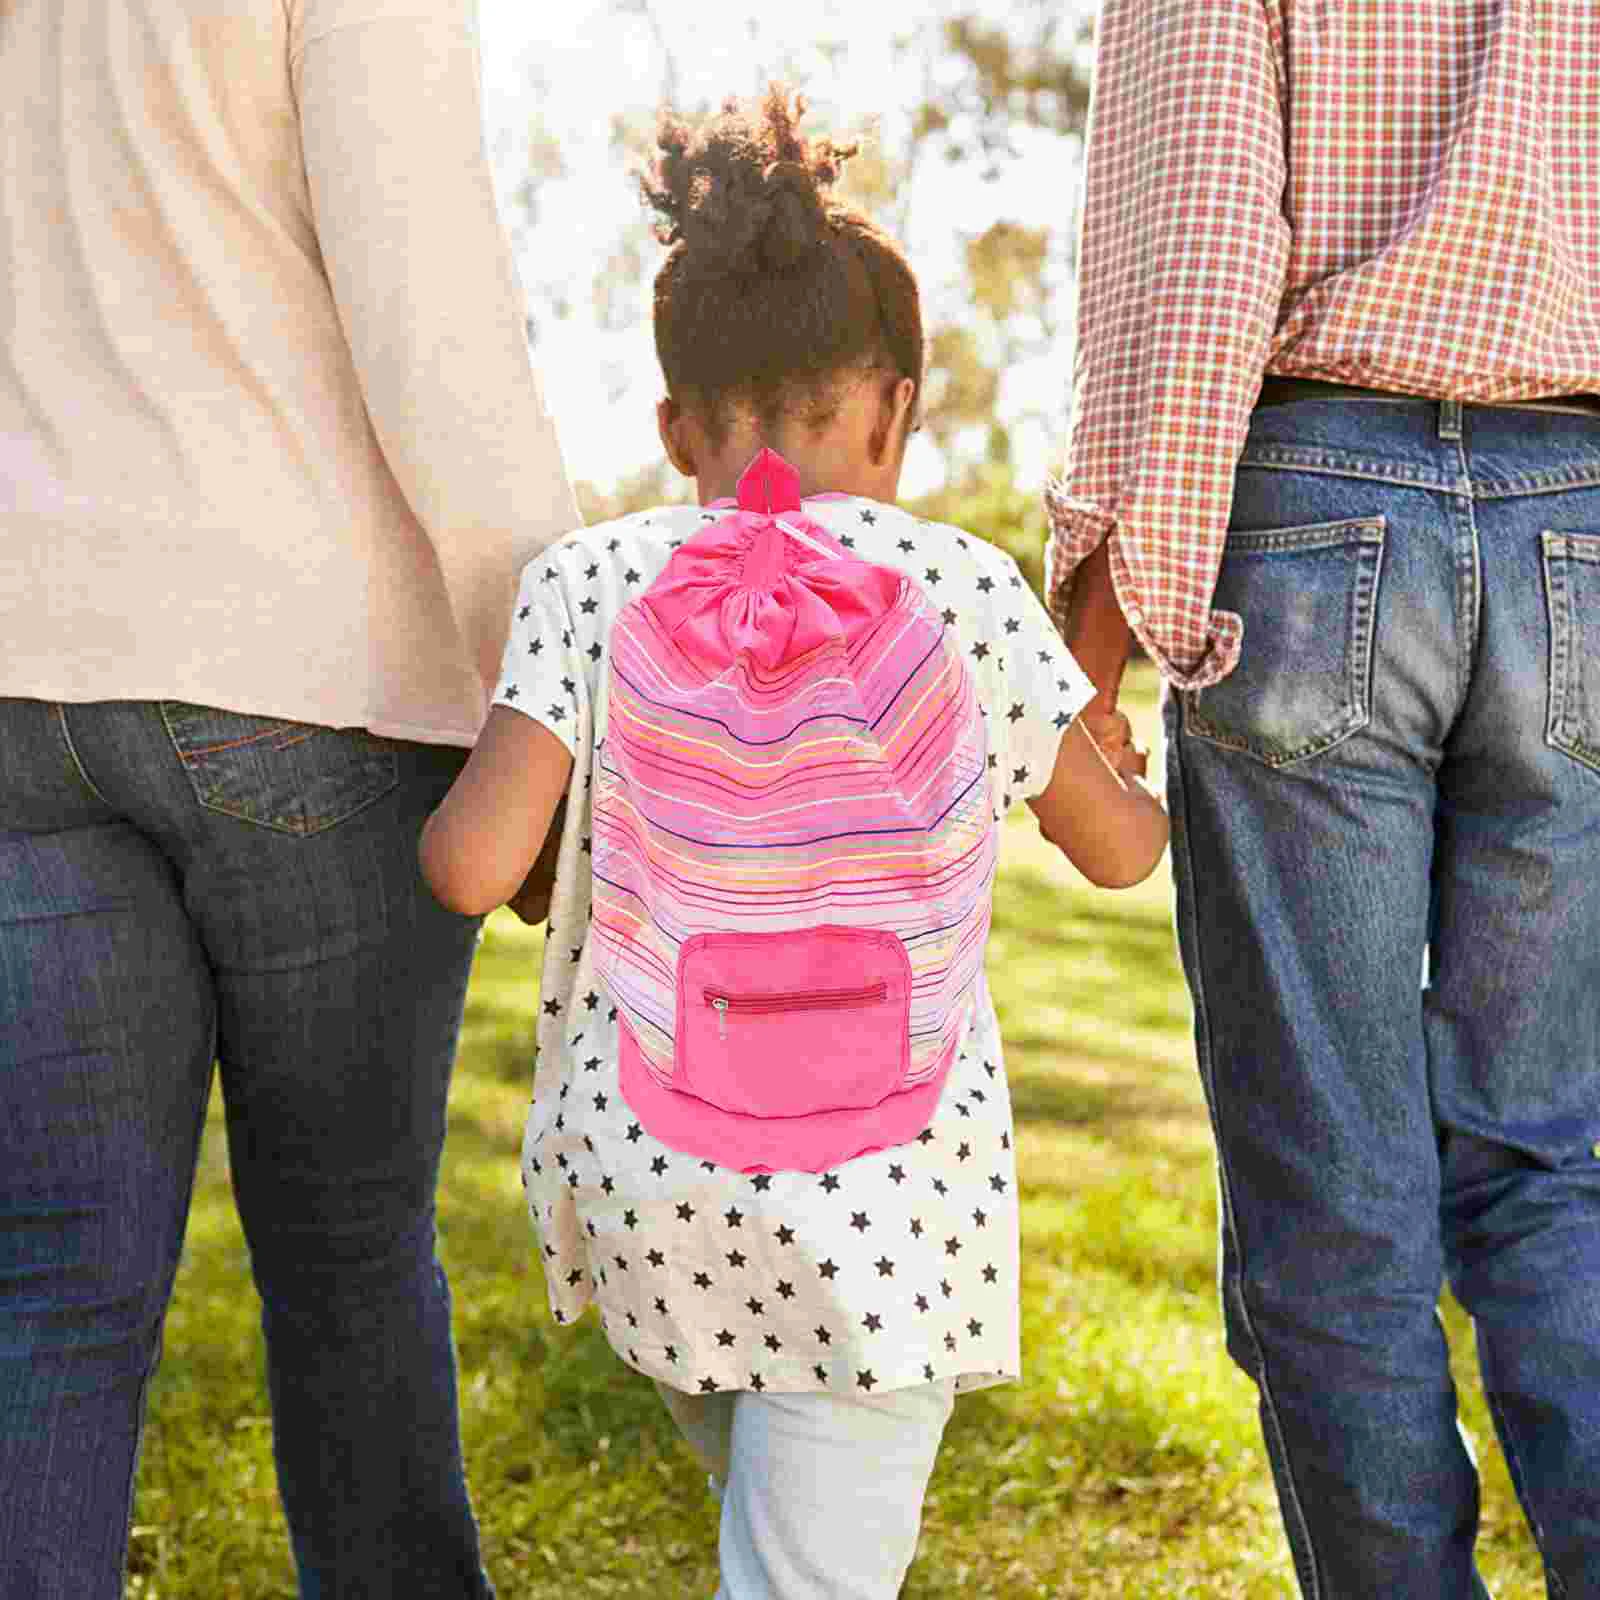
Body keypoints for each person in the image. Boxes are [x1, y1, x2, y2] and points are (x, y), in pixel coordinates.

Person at [419, 88, 1169, 1600]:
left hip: (654, 1182)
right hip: (891, 1212)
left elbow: (467, 869)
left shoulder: (589, 579)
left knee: (776, 1508)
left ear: (675, 425)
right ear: (893, 409)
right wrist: (1123, 766)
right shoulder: (961, 584)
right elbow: (1119, 854)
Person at [0, 1, 575, 1595]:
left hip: (23, 673)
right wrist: (549, 683)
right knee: (344, 1271)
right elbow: (428, 313)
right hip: (302, 669)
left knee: (50, 1296)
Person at [1048, 4, 1600, 1595]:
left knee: (1335, 1196)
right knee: (1550, 1162)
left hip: (1317, 512)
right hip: (1577, 512)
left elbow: (1199, 229)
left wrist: (1093, 630)